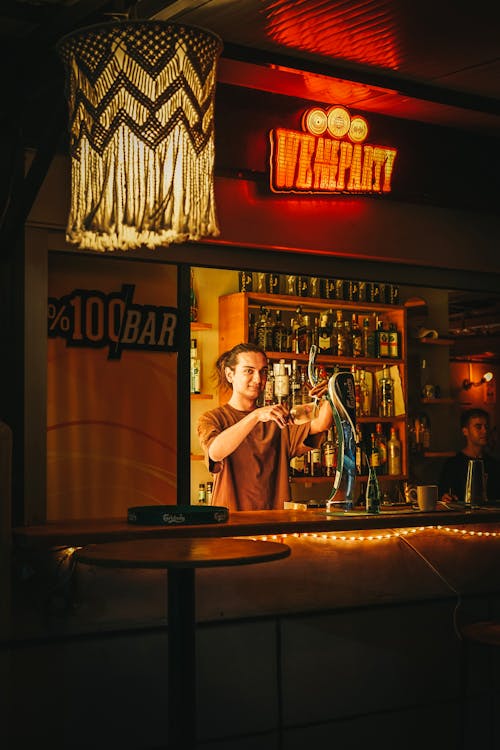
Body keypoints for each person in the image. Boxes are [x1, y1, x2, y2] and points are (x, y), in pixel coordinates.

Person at [197, 342, 333, 511]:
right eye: (249, 371)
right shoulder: (212, 419)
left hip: (273, 525)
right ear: (229, 374)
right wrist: (255, 416)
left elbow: (322, 423)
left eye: (263, 372)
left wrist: (331, 393)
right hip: (229, 523)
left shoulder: (277, 420)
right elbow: (215, 453)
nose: (258, 379)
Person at [438, 408, 500, 504]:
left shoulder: (494, 465)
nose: (484, 431)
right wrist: (445, 497)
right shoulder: (453, 465)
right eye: (478, 427)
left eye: (486, 427)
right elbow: (442, 495)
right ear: (465, 431)